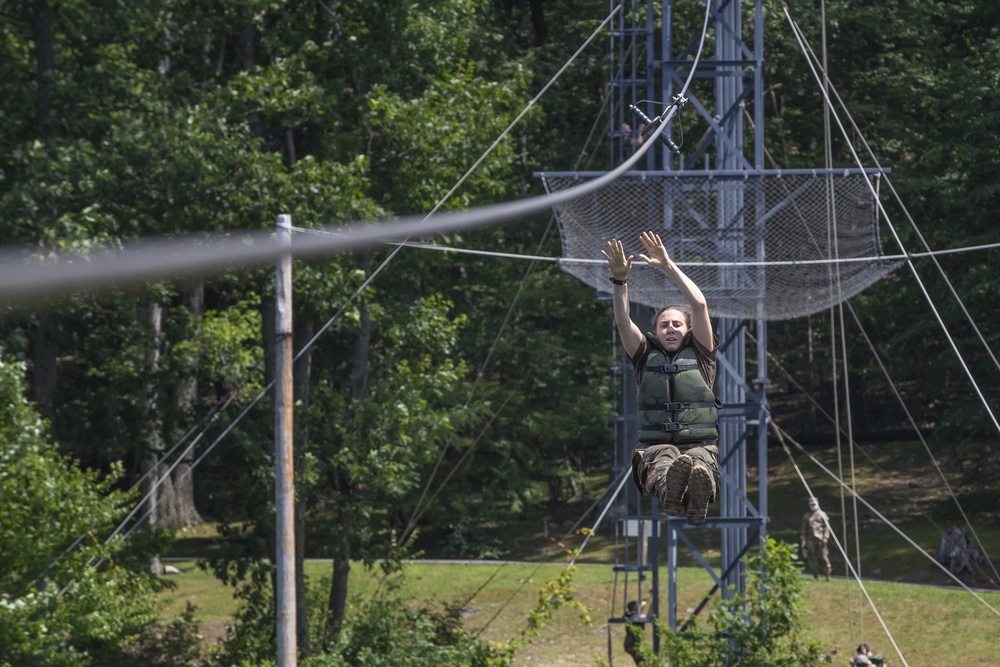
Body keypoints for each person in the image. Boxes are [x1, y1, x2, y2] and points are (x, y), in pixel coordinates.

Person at [602, 231, 721, 526]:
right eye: (664, 325)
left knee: (697, 462)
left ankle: (697, 496)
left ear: (688, 330)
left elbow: (699, 306)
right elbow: (621, 320)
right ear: (655, 331)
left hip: (700, 447)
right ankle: (673, 492)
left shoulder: (702, 355)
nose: (670, 329)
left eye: (677, 325)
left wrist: (667, 265)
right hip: (654, 449)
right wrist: (620, 281)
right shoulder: (643, 354)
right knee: (666, 456)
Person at [800, 497, 832, 581]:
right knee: (812, 558)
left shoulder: (822, 514)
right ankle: (815, 575)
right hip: (810, 539)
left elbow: (826, 527)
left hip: (821, 539)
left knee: (824, 557)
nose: (813, 506)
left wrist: (825, 537)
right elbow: (804, 529)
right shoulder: (807, 516)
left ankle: (827, 574)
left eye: (814, 504)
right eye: (811, 504)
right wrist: (803, 539)